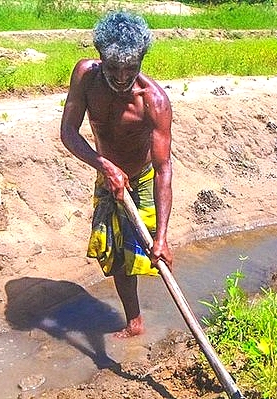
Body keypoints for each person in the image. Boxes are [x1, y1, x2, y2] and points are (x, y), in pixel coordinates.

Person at [60, 11, 173, 338]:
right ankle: (134, 322)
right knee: (115, 254)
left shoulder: (154, 102)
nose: (122, 77)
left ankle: (166, 320)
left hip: (141, 178)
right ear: (100, 57)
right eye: (113, 68)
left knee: (153, 255)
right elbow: (68, 132)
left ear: (141, 60)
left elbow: (164, 168)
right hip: (107, 175)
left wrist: (162, 234)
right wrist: (104, 166)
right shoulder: (85, 76)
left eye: (130, 68)